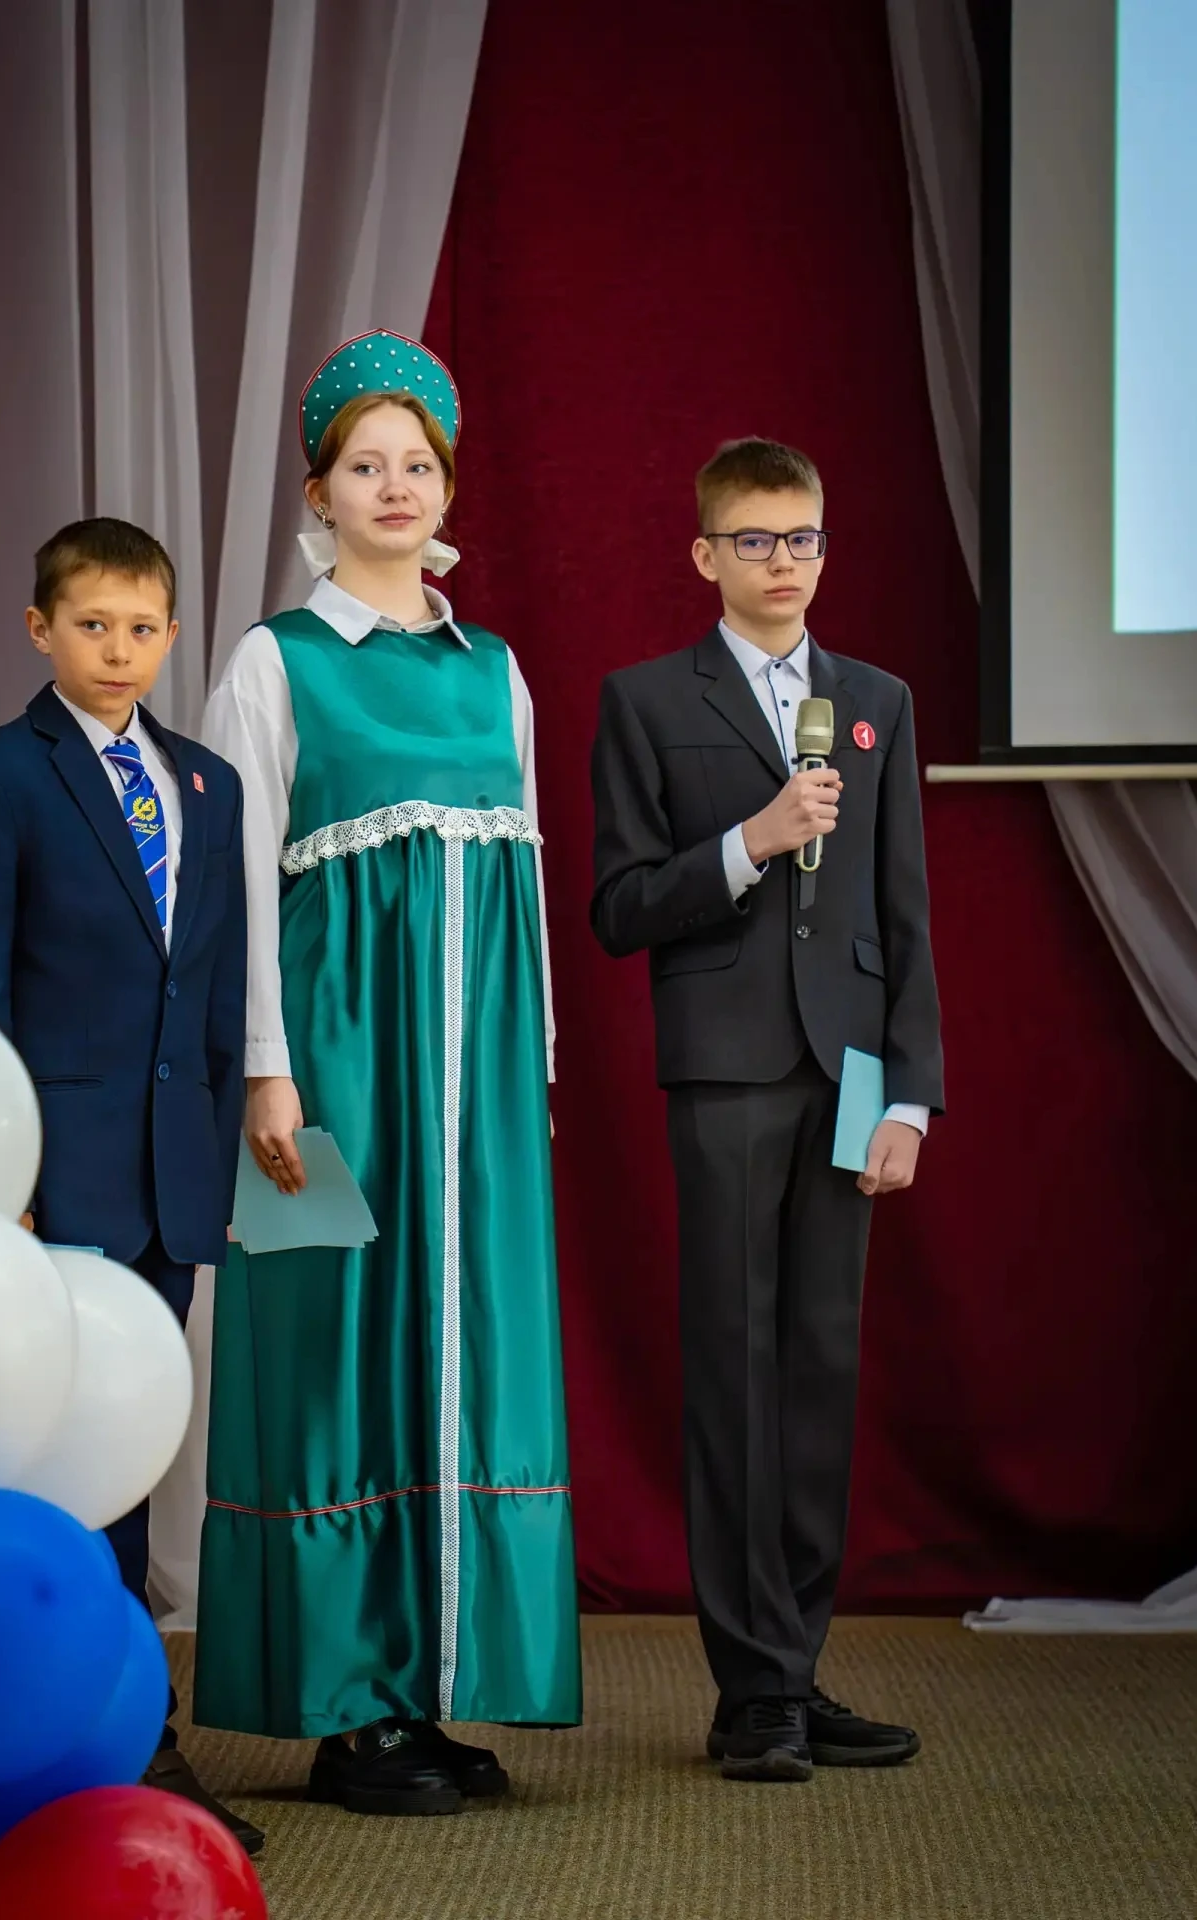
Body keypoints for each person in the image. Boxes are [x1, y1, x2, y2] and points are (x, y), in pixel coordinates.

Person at [196, 330, 580, 1816]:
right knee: (333, 1350)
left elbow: (527, 881)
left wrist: (532, 1066)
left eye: (419, 464)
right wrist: (267, 1073)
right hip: (333, 1068)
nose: (396, 487)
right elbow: (236, 882)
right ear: (321, 490)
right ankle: (347, 1711)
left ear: (448, 485)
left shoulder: (495, 670)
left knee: (465, 1349)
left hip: (479, 1083)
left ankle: (434, 1686)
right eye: (367, 465)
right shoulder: (273, 660)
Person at [589, 438, 943, 1783]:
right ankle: (751, 1692)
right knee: (735, 1373)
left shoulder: (876, 702)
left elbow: (904, 913)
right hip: (727, 1073)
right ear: (705, 555)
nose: (784, 562)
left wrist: (912, 1094)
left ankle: (795, 1666)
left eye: (803, 539)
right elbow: (620, 906)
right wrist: (754, 840)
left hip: (849, 1079)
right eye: (755, 540)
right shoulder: (644, 700)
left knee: (821, 1375)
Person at [0, 517, 260, 1853]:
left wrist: (221, 1160)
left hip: (171, 1181)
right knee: (67, 1461)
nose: (119, 650)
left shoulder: (208, 784)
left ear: (172, 634)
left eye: (142, 628)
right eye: (92, 625)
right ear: (40, 630)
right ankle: (110, 1742)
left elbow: (216, 995)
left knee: (134, 1445)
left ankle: (124, 1727)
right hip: (54, 1181)